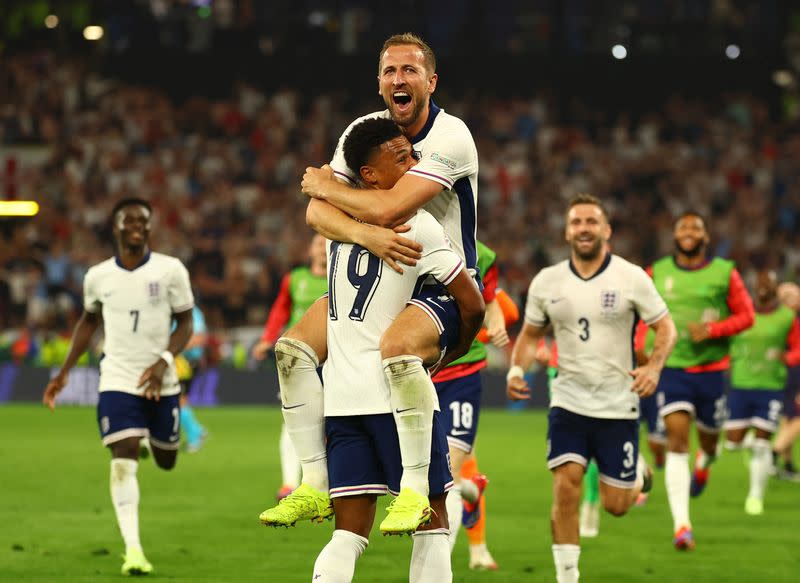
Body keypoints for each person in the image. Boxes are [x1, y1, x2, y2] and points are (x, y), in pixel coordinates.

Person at [261, 32, 480, 535]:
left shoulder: (452, 136)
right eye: (389, 71)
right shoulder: (362, 131)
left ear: (431, 81)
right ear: (379, 82)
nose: (398, 79)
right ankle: (313, 484)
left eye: (409, 70)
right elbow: (318, 212)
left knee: (398, 349)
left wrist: (333, 191)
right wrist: (366, 235)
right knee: (292, 350)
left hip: (437, 280)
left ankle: (415, 490)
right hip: (377, 271)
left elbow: (390, 206)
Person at [306, 117, 484, 582]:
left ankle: (308, 479)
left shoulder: (335, 233)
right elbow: (471, 301)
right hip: (397, 389)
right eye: (402, 158)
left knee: (346, 535)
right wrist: (453, 349)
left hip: (343, 397)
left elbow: (319, 211)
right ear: (370, 175)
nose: (414, 162)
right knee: (431, 523)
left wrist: (326, 189)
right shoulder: (417, 225)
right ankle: (399, 485)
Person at [506, 194, 677, 583]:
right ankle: (568, 577)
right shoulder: (548, 281)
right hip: (568, 401)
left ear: (606, 231)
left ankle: (637, 477)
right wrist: (517, 370)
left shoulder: (632, 277)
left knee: (617, 506)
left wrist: (653, 366)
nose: (584, 228)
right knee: (566, 486)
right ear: (567, 232)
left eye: (591, 222)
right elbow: (531, 335)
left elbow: (666, 327)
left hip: (618, 405)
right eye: (577, 222)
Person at [42, 198, 194, 576]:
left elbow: (186, 324)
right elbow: (87, 323)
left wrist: (163, 361)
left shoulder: (171, 270)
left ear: (149, 227)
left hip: (162, 380)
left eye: (143, 220)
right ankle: (134, 550)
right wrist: (62, 373)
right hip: (117, 378)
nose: (136, 226)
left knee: (167, 460)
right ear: (116, 227)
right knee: (122, 458)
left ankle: (148, 439)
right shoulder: (97, 276)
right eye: (129, 221)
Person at [636, 211, 754, 550]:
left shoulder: (724, 273)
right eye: (683, 227)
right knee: (676, 442)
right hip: (672, 369)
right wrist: (643, 352)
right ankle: (682, 526)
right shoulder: (655, 272)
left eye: (695, 227)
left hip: (713, 372)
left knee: (710, 443)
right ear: (674, 236)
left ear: (705, 237)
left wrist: (715, 330)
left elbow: (746, 315)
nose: (689, 232)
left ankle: (705, 463)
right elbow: (643, 317)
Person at [430, 239, 517, 567]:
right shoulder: (409, 235)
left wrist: (483, 328)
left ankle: (449, 561)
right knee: (432, 471)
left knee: (448, 471)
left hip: (461, 374)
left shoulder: (476, 251)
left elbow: (503, 308)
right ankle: (471, 494)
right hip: (421, 369)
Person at [251, 234, 328, 500]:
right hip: (299, 359)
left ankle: (321, 482)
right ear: (310, 249)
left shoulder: (341, 278)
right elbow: (280, 311)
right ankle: (288, 484)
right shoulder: (295, 279)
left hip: (332, 360)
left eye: (328, 244)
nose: (323, 249)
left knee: (331, 423)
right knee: (292, 420)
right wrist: (266, 339)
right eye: (319, 243)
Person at [722, 270, 800, 514]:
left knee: (768, 437)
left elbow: (798, 346)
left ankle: (755, 497)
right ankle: (777, 457)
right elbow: (726, 339)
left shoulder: (787, 317)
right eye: (760, 283)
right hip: (741, 385)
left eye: (769, 284)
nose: (764, 288)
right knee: (732, 443)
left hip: (771, 386)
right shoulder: (741, 315)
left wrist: (787, 357)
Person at [772, 281, 800, 480]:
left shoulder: (776, 319)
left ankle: (788, 464)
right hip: (794, 371)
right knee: (796, 418)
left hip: (782, 372)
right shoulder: (791, 321)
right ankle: (774, 452)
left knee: (788, 417)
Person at [175, 304, 209, 453]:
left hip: (186, 363)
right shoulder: (176, 310)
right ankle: (196, 432)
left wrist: (175, 347)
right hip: (177, 361)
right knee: (178, 400)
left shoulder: (193, 313)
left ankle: (196, 433)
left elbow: (199, 338)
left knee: (178, 400)